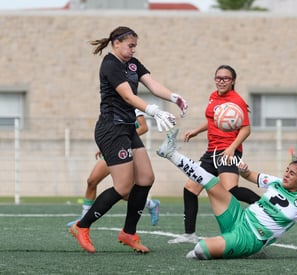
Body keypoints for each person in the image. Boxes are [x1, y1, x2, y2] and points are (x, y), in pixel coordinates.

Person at [69, 26, 188, 254]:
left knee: (145, 178)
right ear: (116, 43)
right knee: (123, 187)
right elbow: (127, 95)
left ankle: (128, 233)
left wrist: (174, 97)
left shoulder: (133, 64)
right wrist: (153, 111)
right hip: (111, 129)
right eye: (130, 45)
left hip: (126, 129)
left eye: (135, 46)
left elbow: (152, 85)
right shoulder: (110, 64)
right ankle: (81, 226)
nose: (133, 50)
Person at [156, 129, 297, 260]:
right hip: (239, 216)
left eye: (292, 173)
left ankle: (233, 246)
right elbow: (250, 176)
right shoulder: (276, 182)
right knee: (211, 181)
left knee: (200, 250)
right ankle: (170, 153)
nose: (286, 174)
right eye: (287, 170)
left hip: (250, 238)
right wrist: (244, 171)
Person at [168, 65, 261, 244]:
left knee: (230, 191)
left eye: (225, 78)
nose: (221, 81)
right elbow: (214, 120)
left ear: (233, 81)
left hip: (228, 152)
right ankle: (190, 235)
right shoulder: (213, 96)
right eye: (218, 77)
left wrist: (233, 147)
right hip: (211, 152)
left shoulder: (237, 101)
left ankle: (266, 206)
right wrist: (197, 130)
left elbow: (246, 129)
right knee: (190, 189)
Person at [67, 110, 160, 228]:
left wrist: (121, 139)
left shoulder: (132, 102)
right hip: (113, 147)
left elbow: (143, 127)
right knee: (92, 181)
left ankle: (151, 205)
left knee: (124, 192)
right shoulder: (113, 104)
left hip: (126, 149)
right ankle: (84, 218)